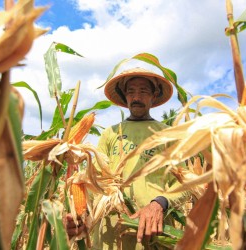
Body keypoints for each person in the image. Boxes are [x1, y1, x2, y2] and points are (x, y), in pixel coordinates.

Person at [66, 67, 186, 249]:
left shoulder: (168, 134)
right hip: (111, 233)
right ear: (125, 96)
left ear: (154, 95)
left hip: (154, 234)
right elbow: (95, 180)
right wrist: (79, 214)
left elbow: (185, 183)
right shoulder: (110, 133)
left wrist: (159, 203)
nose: (136, 97)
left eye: (143, 91)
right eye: (131, 92)